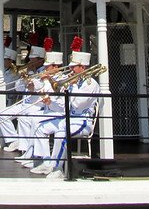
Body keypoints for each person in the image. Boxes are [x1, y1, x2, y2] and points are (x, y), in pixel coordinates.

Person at [30, 43, 100, 178]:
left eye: (74, 67)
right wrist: (50, 103)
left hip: (83, 121)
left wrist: (72, 88)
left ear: (83, 67)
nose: (71, 69)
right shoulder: (73, 83)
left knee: (62, 133)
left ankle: (57, 169)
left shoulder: (91, 84)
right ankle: (47, 162)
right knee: (40, 128)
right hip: (68, 117)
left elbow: (78, 105)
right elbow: (64, 106)